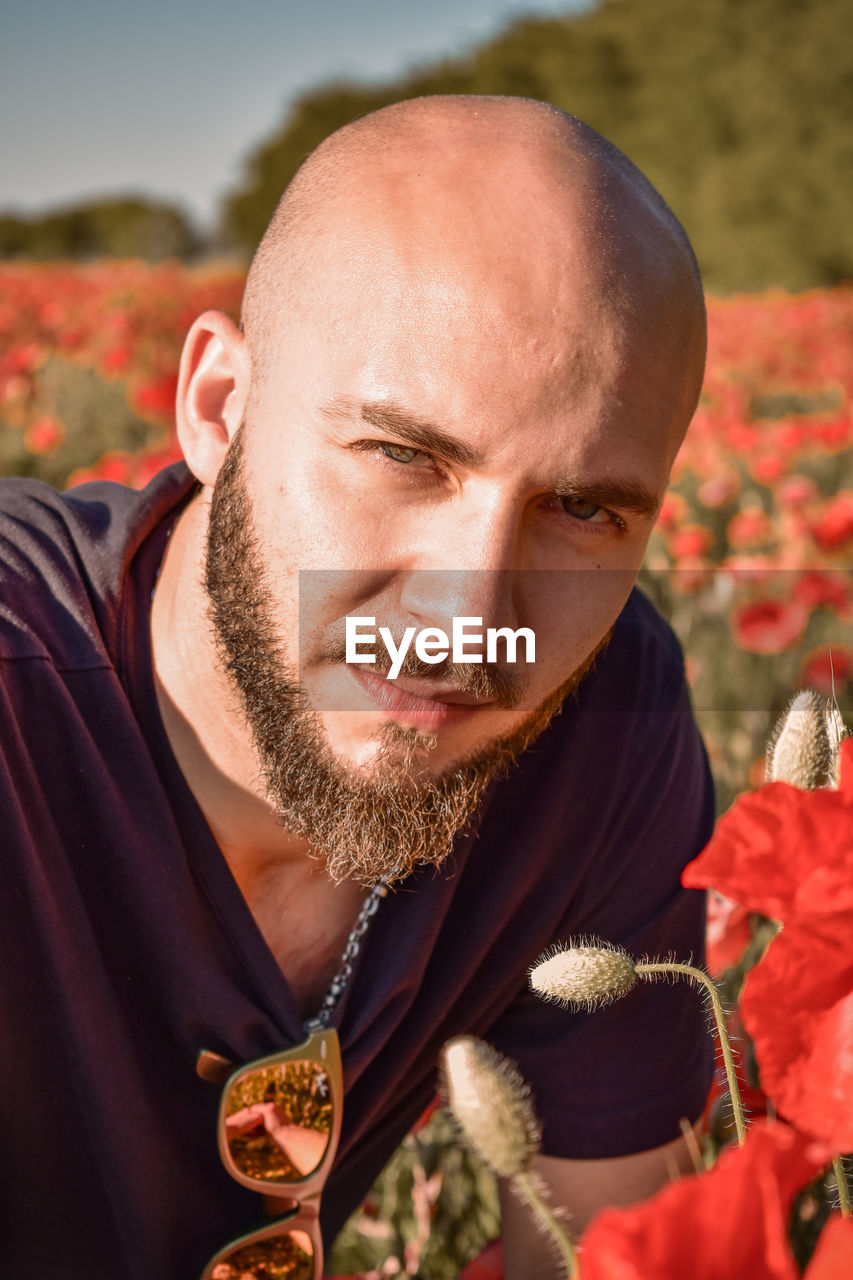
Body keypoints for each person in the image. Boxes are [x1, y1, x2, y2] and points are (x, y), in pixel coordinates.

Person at [0, 95, 714, 1279]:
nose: (469, 617)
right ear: (218, 405)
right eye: (403, 456)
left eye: (580, 509)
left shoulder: (604, 716)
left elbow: (601, 1252)